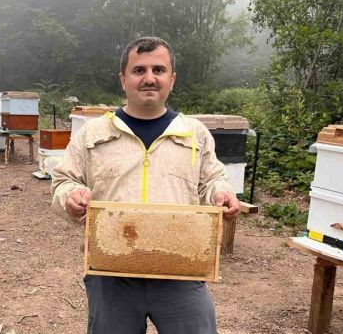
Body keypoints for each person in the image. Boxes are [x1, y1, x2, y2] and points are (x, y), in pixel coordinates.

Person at [50, 36, 240, 334]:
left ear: (171, 79)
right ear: (123, 79)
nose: (149, 78)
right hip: (111, 271)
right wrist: (70, 196)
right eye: (139, 70)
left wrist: (222, 193)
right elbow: (64, 181)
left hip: (180, 268)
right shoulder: (92, 132)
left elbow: (212, 181)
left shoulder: (195, 133)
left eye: (158, 70)